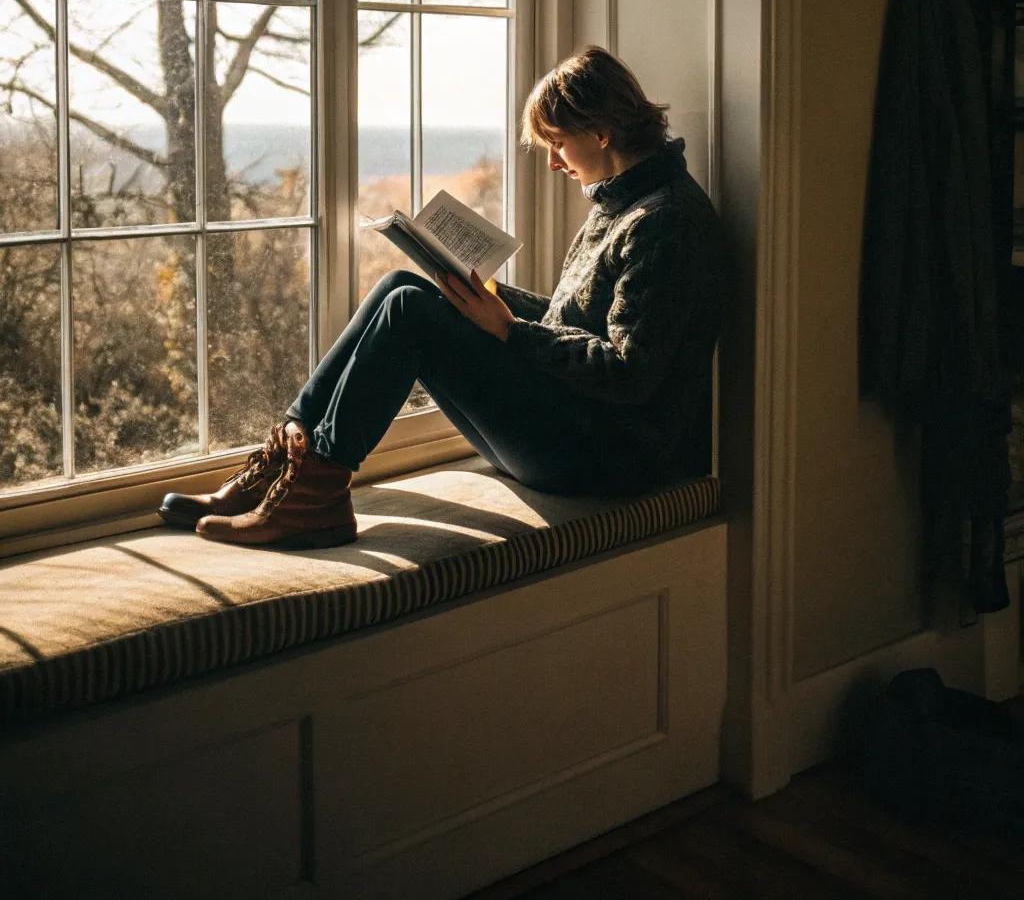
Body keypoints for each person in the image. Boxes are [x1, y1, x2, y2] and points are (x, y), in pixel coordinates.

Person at [159, 45, 728, 547]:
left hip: (605, 457)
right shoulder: (621, 203)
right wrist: (490, 299)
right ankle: (286, 463)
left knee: (409, 311)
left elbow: (631, 372)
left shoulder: (662, 222)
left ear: (601, 133)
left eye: (556, 144)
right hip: (578, 427)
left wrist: (506, 327)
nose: (553, 162)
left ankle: (316, 498)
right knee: (403, 286)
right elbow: (573, 321)